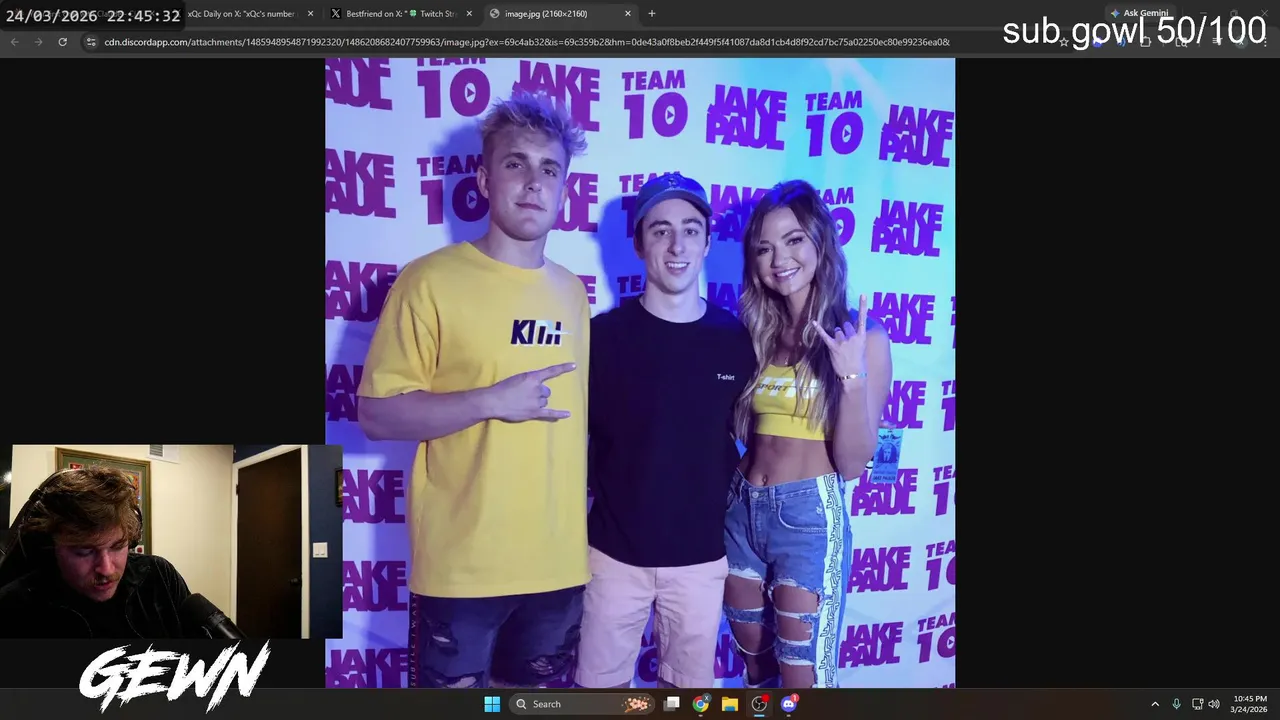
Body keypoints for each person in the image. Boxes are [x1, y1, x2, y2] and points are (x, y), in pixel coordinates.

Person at [356, 90, 591, 689]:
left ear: (564, 188)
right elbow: (377, 415)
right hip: (461, 571)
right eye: (516, 163)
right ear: (485, 180)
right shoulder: (429, 280)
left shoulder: (573, 292)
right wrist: (491, 401)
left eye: (550, 169)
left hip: (558, 568)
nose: (534, 182)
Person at [575, 173, 756, 689]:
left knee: (687, 698)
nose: (677, 245)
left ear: (707, 242)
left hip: (701, 559)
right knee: (599, 693)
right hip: (611, 556)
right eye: (660, 231)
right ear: (638, 244)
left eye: (691, 230)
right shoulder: (601, 337)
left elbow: (753, 440)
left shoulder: (736, 339)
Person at [724, 180, 893, 689]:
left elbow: (853, 465)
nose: (780, 259)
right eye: (764, 248)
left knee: (805, 684)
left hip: (808, 520)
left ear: (820, 241)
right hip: (740, 510)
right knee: (757, 671)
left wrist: (850, 377)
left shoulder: (864, 338)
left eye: (794, 240)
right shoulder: (756, 332)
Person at [0, 466, 195, 638]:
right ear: (49, 546)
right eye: (85, 552)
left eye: (117, 546)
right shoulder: (14, 606)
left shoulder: (160, 576)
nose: (106, 570)